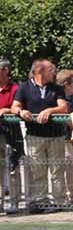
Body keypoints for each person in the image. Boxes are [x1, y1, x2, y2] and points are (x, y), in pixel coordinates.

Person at [14, 59, 73, 211]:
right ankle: (41, 201)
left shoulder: (57, 89)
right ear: (39, 71)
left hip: (55, 135)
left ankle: (59, 202)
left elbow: (63, 107)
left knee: (57, 170)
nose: (54, 73)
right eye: (51, 70)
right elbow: (15, 106)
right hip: (34, 135)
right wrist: (21, 111)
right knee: (37, 170)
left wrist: (49, 111)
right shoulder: (24, 87)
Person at [0, 58, 20, 214]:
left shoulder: (15, 88)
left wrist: (6, 110)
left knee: (13, 166)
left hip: (11, 133)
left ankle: (14, 202)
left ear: (5, 71)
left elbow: (17, 106)